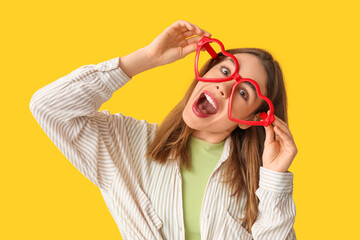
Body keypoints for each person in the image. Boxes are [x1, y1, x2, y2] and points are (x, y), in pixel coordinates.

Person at [30, 20, 297, 240]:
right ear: (205, 72)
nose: (224, 86)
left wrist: (274, 180)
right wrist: (145, 58)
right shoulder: (128, 144)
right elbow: (48, 107)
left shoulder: (258, 184)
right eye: (225, 69)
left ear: (250, 118)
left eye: (243, 92)